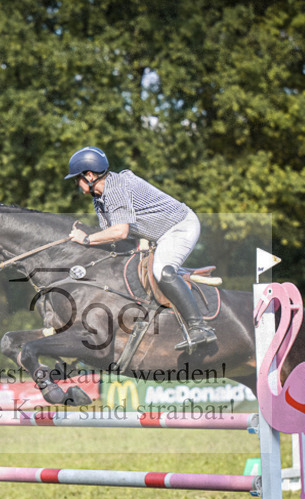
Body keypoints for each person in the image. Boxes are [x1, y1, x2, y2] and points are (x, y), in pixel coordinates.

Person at [64, 146, 216, 352]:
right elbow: (110, 235)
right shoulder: (99, 197)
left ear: (89, 175)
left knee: (162, 270)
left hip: (180, 227)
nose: (76, 184)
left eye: (77, 179)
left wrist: (87, 239)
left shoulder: (114, 188)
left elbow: (119, 232)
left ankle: (199, 327)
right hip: (160, 235)